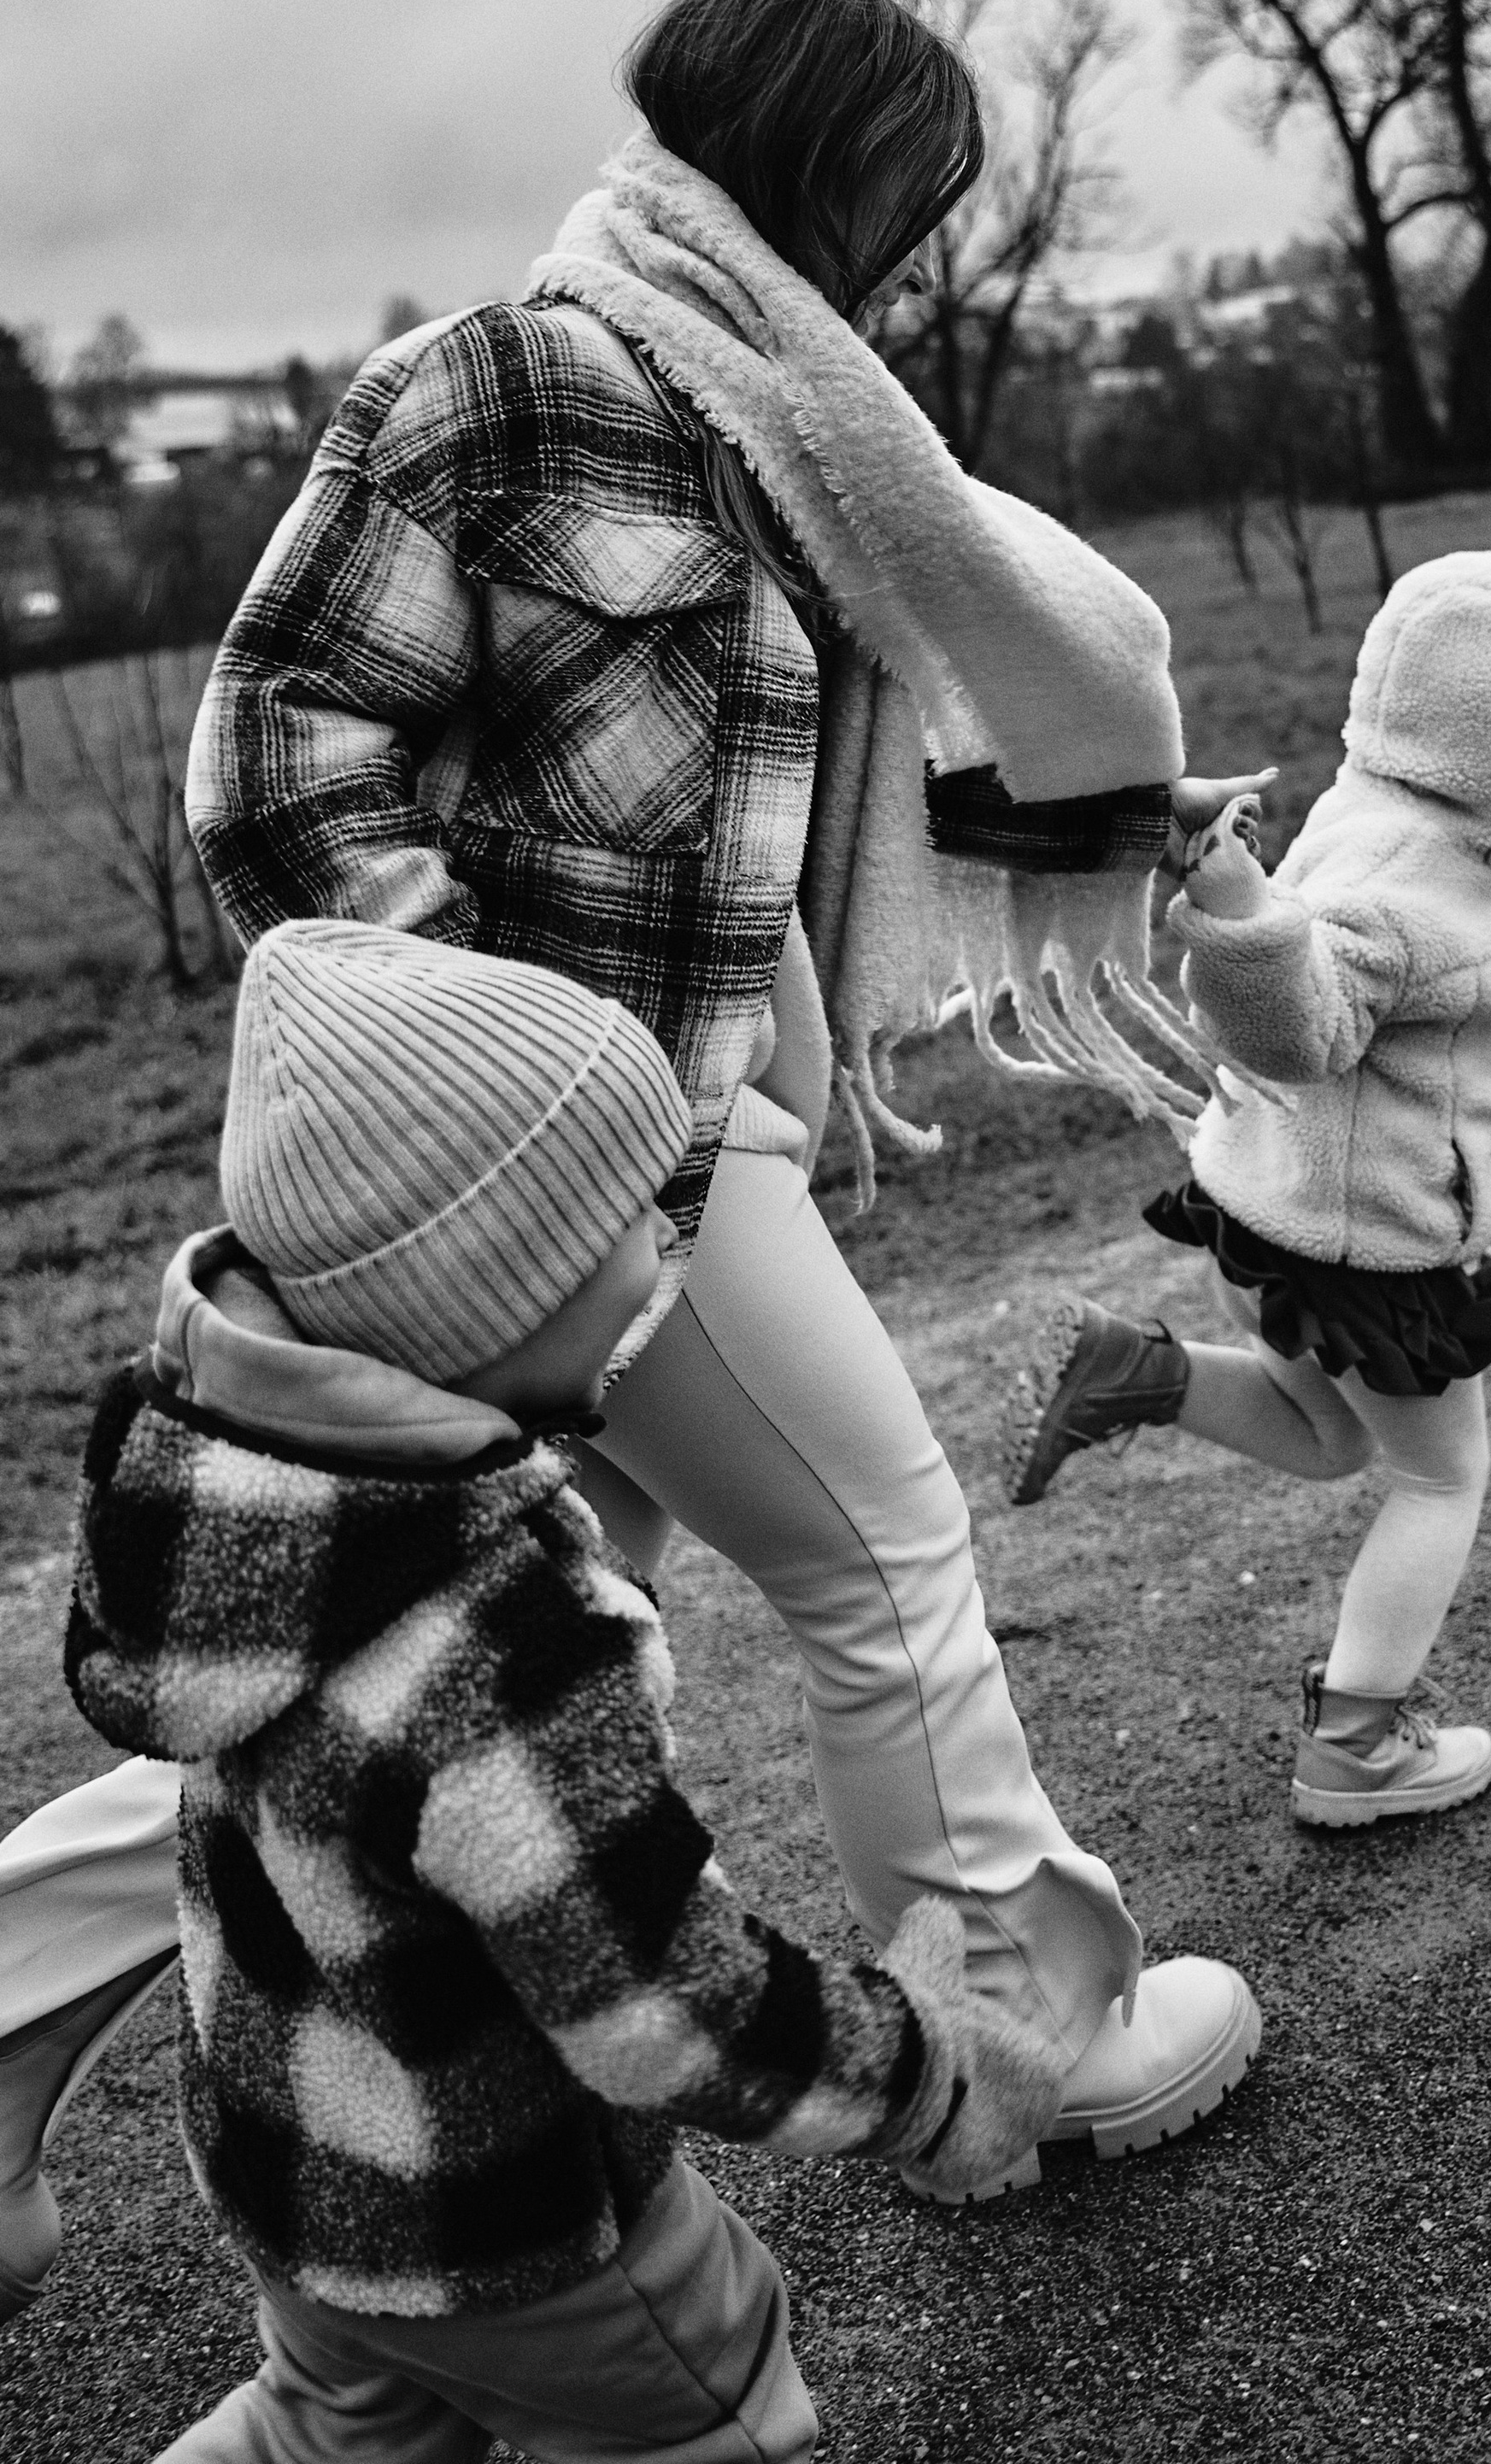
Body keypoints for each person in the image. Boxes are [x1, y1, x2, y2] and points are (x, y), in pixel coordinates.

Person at [0, 0, 1261, 2319]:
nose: (916, 249)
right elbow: (273, 762)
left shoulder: (784, 427)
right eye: (904, 190)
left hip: (696, 1110)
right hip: (600, 1156)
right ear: (810, 156)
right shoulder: (499, 388)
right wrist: (507, 1087)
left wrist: (1119, 821)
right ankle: (1027, 2053)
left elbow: (825, 771)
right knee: (884, 1558)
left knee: (417, 1655)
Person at [73, 922, 1067, 2463]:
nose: (669, 1244)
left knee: (322, 2434)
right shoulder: (494, 1634)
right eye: (627, 1216)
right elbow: (660, 2006)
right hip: (517, 2233)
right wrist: (924, 2069)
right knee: (713, 2407)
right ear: (494, 1289)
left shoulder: (245, 1517)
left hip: (301, 2192)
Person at [996, 556, 1491, 1826]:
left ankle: (1132, 1371)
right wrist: (1236, 914)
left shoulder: (1409, 806)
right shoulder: (1408, 892)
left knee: (1332, 1437)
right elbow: (1294, 1028)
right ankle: (1356, 1745)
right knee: (1442, 1478)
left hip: (1276, 1213)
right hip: (1359, 1249)